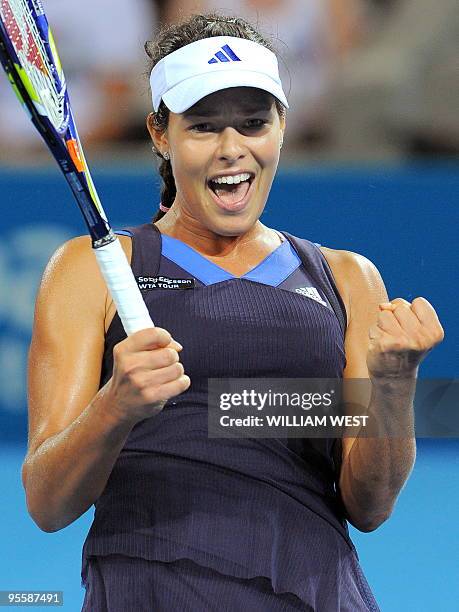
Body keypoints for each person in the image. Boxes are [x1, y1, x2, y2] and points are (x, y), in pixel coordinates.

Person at [22, 12, 444, 612]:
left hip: (316, 592)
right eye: (202, 127)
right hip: (152, 592)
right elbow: (47, 501)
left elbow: (368, 505)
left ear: (281, 130)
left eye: (253, 123)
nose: (231, 150)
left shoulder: (347, 278)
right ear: (161, 135)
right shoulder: (87, 270)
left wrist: (395, 386)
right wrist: (115, 406)